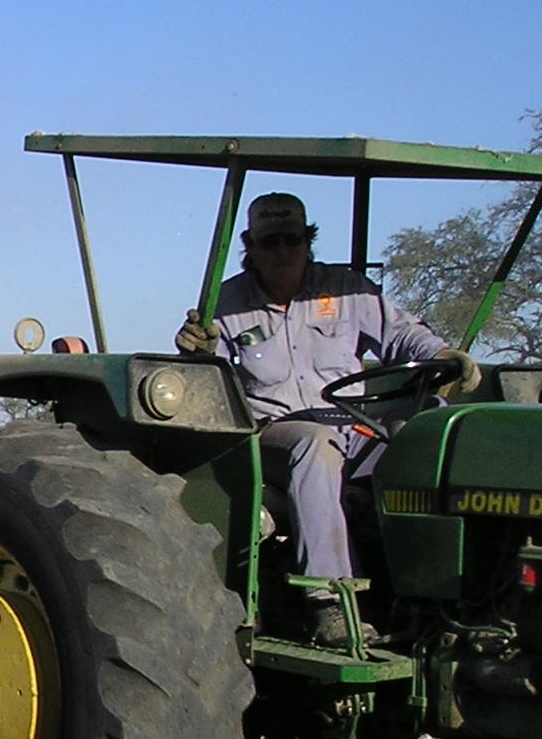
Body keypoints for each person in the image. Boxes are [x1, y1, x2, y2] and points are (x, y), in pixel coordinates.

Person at [176, 192, 480, 646]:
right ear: (250, 246)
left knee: (430, 424)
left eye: (292, 240)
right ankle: (329, 602)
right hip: (275, 437)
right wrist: (194, 353)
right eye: (270, 242)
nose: (282, 252)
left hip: (351, 427)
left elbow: (401, 334)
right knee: (314, 445)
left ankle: (449, 586)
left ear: (308, 241)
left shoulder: (346, 290)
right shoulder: (226, 303)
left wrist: (441, 356)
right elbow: (200, 382)